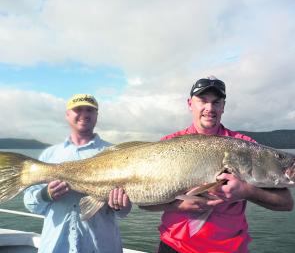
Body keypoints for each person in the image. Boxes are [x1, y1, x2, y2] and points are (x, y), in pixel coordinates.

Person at [141, 77, 294, 253]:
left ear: (223, 106)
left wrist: (246, 191)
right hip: (174, 247)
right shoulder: (167, 146)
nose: (210, 108)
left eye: (216, 102)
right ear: (190, 104)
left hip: (230, 248)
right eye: (203, 101)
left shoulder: (245, 145)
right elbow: (145, 203)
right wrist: (177, 206)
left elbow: (286, 203)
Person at [23, 94, 131, 253]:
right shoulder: (49, 155)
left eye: (90, 110)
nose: (84, 114)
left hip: (101, 246)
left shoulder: (117, 154)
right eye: (78, 109)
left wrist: (120, 205)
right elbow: (30, 202)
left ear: (96, 116)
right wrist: (45, 194)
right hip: (55, 246)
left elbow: (125, 211)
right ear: (67, 115)